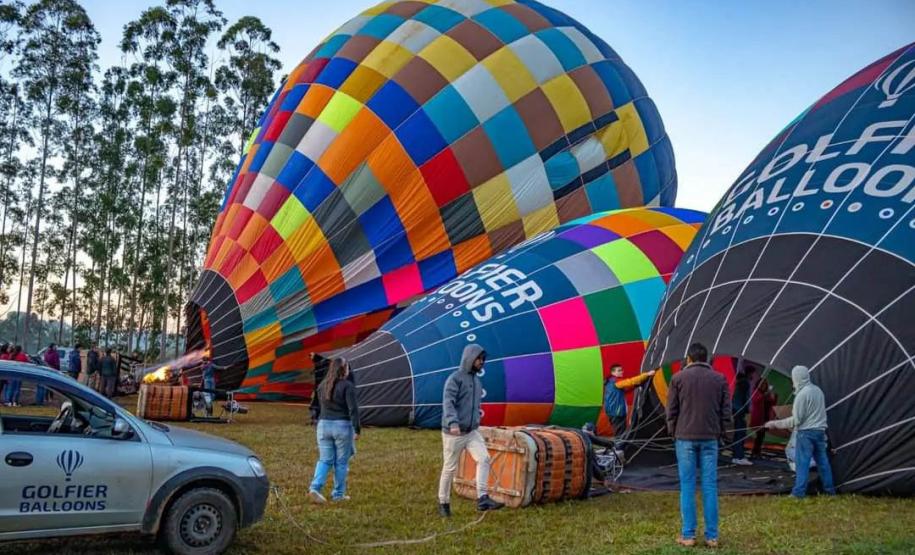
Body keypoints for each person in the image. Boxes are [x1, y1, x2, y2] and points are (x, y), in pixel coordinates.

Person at [666, 342, 731, 548]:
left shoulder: (678, 378)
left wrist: (673, 432)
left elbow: (671, 410)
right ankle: (712, 537)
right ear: (706, 358)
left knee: (687, 486)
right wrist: (726, 434)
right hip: (710, 438)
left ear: (689, 359)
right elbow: (726, 411)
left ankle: (688, 535)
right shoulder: (720, 379)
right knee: (710, 486)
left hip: (684, 438)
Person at [437, 344, 504, 517]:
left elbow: (474, 406)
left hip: (471, 432)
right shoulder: (455, 379)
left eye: (483, 359)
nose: (481, 362)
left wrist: (476, 421)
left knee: (484, 458)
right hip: (454, 433)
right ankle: (443, 503)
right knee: (449, 468)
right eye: (478, 359)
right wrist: (453, 422)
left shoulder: (476, 381)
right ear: (469, 358)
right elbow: (448, 402)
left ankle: (483, 498)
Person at [765, 366, 835, 498]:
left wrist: (774, 424)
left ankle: (798, 493)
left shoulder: (802, 395)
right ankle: (830, 491)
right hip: (820, 432)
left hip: (806, 434)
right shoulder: (818, 390)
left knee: (802, 464)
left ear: (796, 378)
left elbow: (796, 420)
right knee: (823, 463)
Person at [308, 358, 360, 503]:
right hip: (342, 426)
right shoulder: (347, 386)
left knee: (324, 460)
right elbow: (353, 409)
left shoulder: (322, 386)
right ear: (344, 369)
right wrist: (357, 429)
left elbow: (318, 407)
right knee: (341, 462)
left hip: (323, 426)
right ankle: (338, 494)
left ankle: (315, 488)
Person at [603, 363, 656, 438]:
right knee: (620, 432)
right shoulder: (616, 381)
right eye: (619, 370)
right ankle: (618, 445)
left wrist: (637, 385)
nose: (621, 372)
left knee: (619, 431)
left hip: (612, 412)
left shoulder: (610, 382)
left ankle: (619, 444)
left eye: (621, 370)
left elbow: (626, 389)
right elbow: (630, 381)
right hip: (617, 412)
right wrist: (646, 374)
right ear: (613, 372)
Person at [730, 366, 753, 466]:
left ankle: (736, 455)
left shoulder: (739, 382)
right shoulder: (745, 383)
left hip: (736, 409)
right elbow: (746, 398)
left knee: (737, 433)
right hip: (740, 411)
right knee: (740, 433)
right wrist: (747, 411)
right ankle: (739, 456)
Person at [750, 376, 778, 458]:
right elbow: (756, 400)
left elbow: (772, 403)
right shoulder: (756, 392)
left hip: (765, 417)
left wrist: (775, 397)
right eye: (762, 384)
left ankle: (757, 452)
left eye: (765, 384)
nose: (764, 385)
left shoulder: (766, 393)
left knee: (761, 436)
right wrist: (764, 395)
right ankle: (755, 452)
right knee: (759, 435)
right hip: (759, 417)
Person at [309, 352, 330, 424]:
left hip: (322, 387)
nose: (310, 357)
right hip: (319, 387)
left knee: (317, 403)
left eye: (311, 355)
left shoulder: (324, 365)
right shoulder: (318, 365)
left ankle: (317, 419)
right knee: (316, 403)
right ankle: (315, 419)